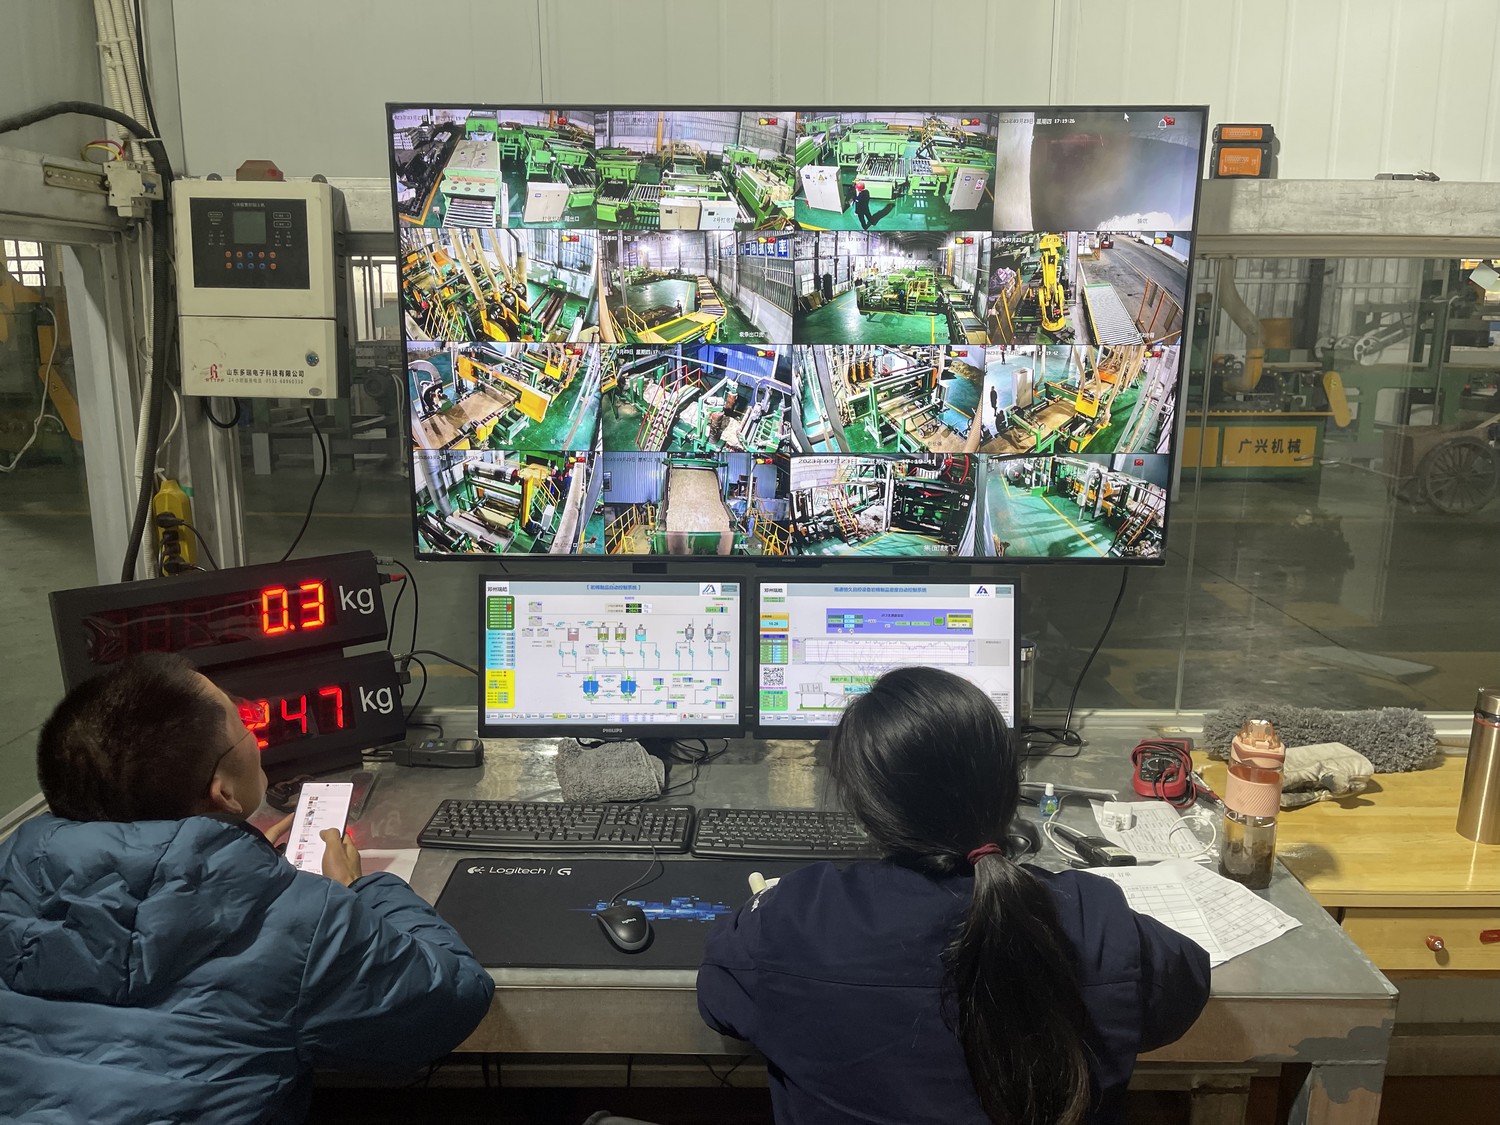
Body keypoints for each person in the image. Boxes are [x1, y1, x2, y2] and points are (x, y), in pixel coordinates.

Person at [698, 666, 1210, 1125]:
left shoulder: (793, 919)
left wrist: (772, 912)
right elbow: (1184, 990)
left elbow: (717, 1000)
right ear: (1009, 788)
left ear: (863, 806)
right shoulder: (1095, 919)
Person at [0, 653, 494, 1124]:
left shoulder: (11, 879)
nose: (255, 737)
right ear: (224, 793)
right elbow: (453, 999)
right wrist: (358, 888)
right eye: (244, 727)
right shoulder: (299, 926)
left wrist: (237, 856)